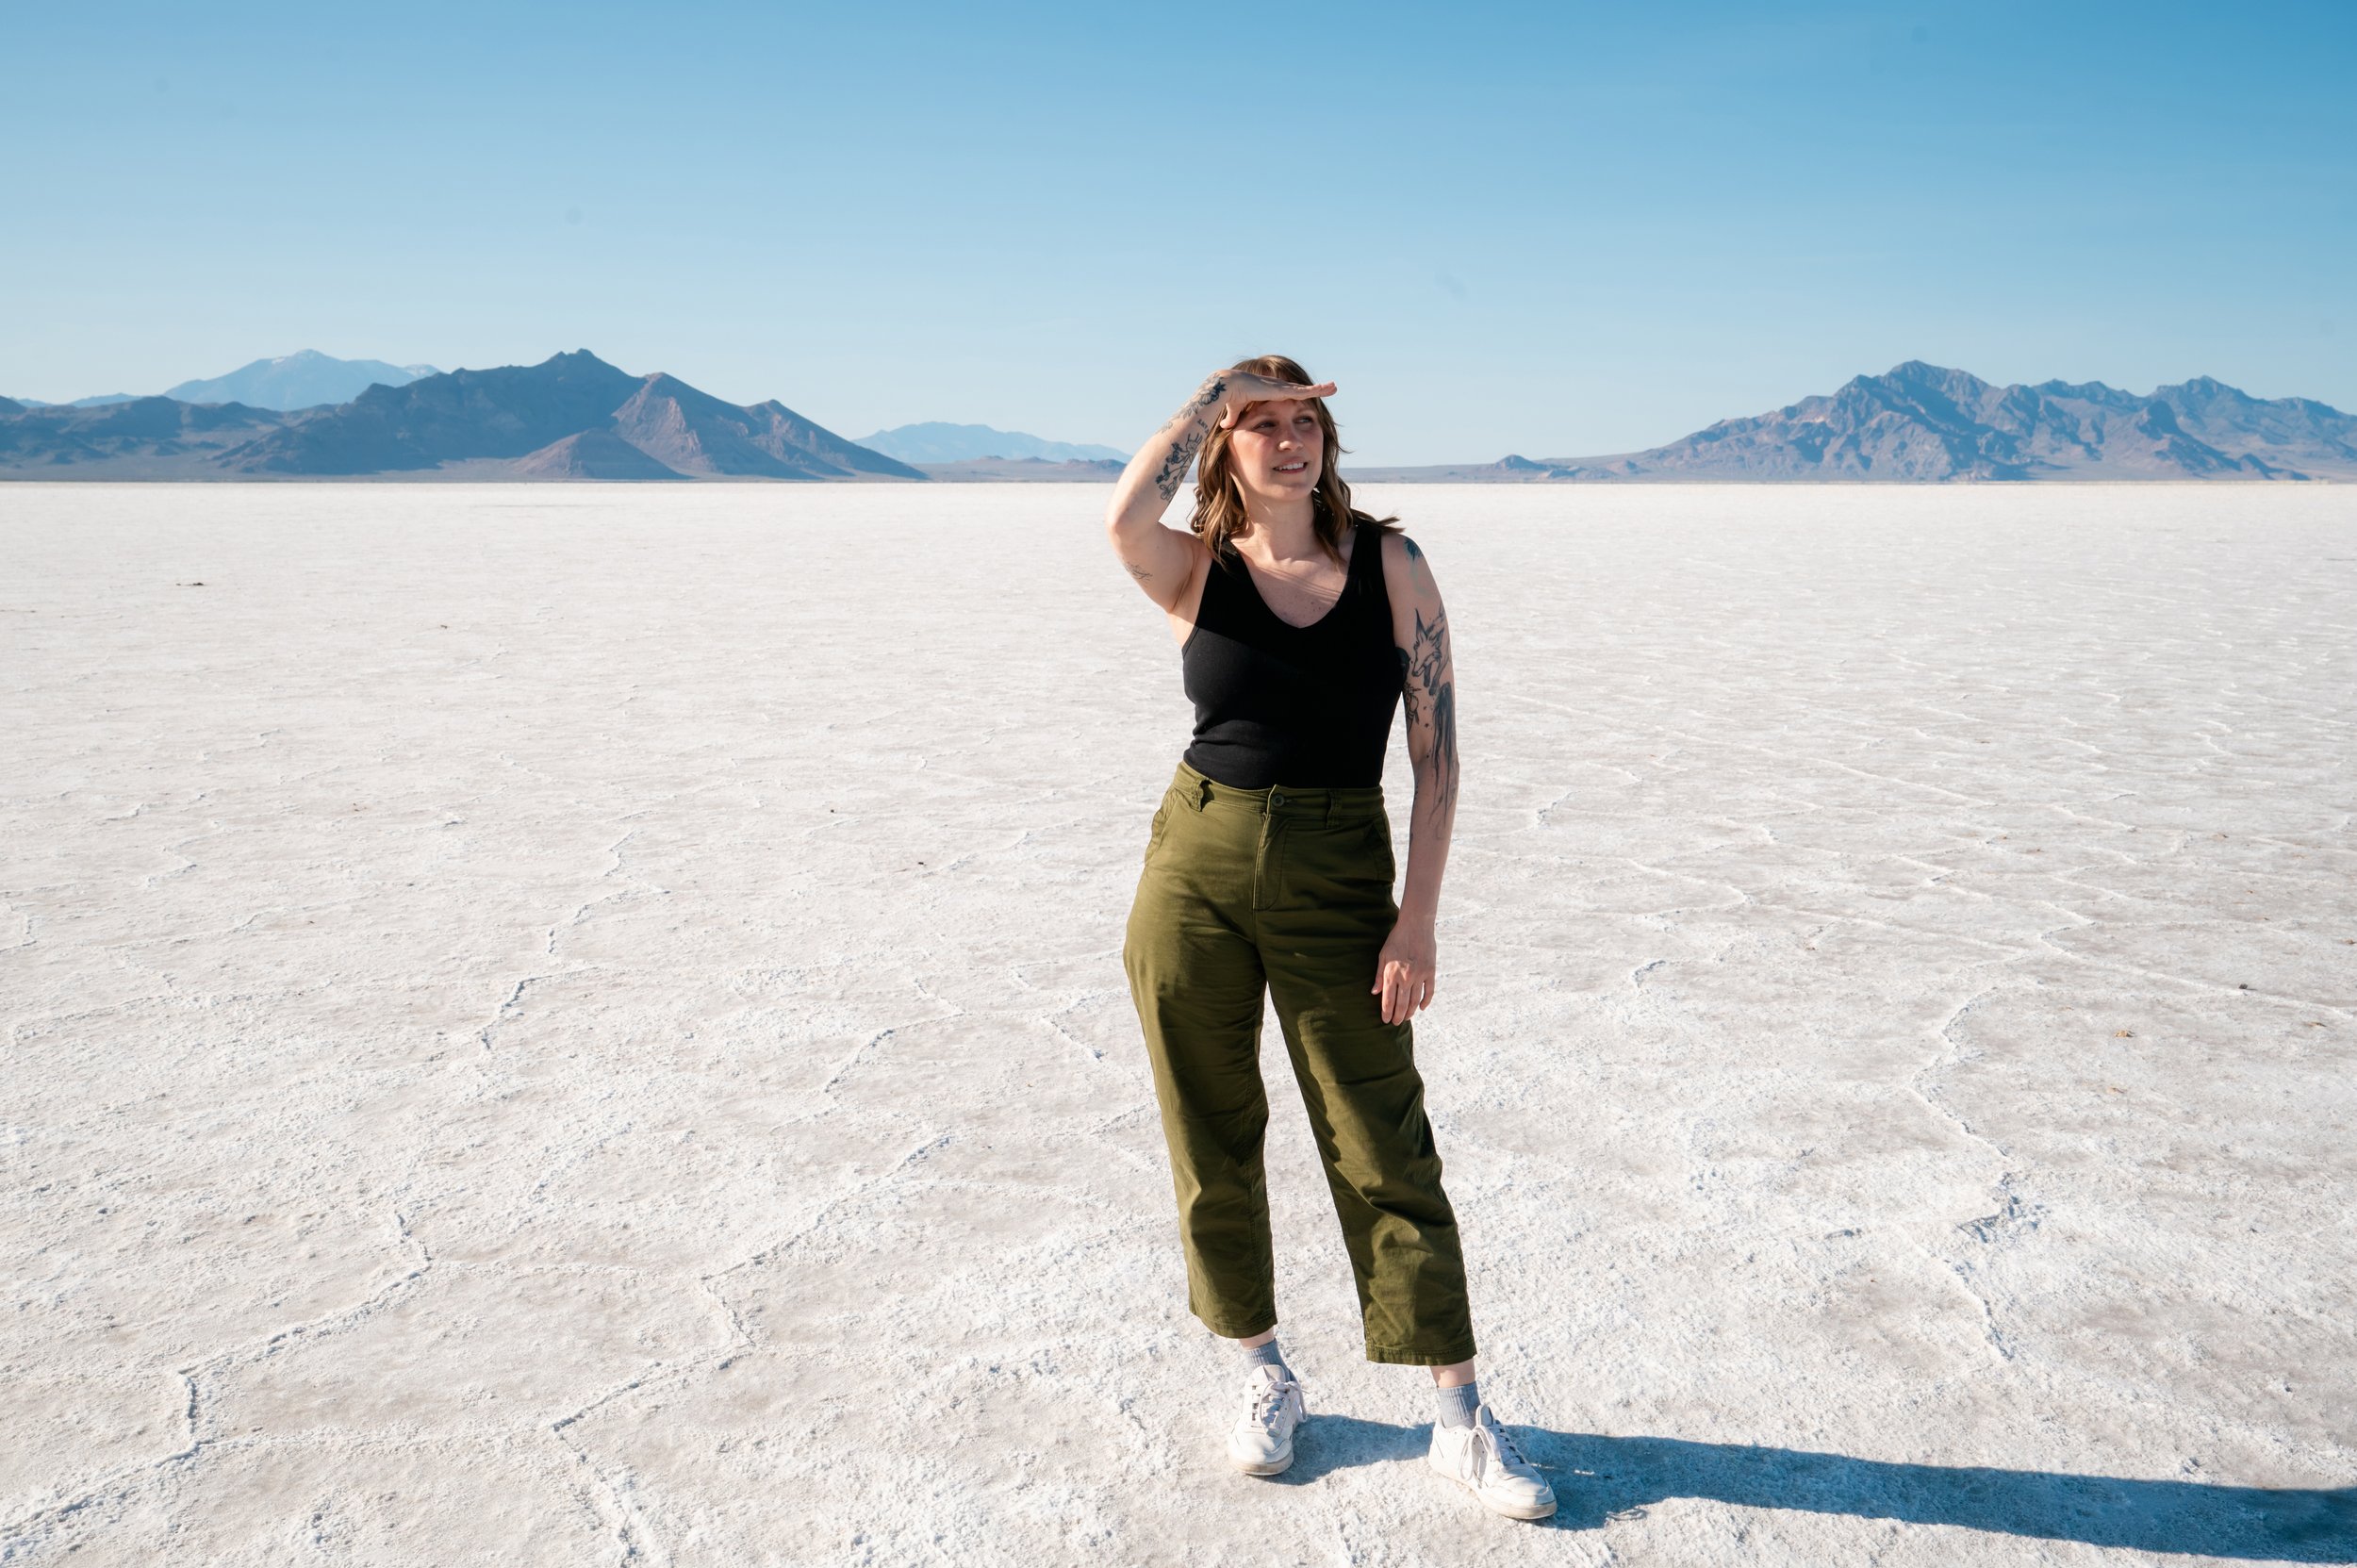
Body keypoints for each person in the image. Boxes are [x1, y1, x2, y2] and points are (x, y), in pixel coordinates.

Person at [1104, 355, 1555, 1521]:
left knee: (1380, 1133)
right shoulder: (1193, 570)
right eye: (1263, 425)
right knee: (1211, 1124)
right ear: (1225, 444)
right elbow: (1118, 515)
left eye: (1304, 420)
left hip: (1341, 869)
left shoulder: (1391, 567)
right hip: (1192, 864)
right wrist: (1218, 386)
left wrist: (1417, 914)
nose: (1289, 439)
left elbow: (1437, 754)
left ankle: (1457, 1415)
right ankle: (1259, 1369)